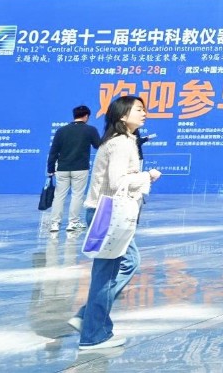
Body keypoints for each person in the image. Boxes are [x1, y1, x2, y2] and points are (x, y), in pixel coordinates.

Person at [71, 95, 162, 351]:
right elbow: (117, 181)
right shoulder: (121, 143)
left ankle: (87, 317)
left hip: (105, 212)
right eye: (139, 109)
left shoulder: (122, 140)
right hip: (109, 213)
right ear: (123, 115)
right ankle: (93, 334)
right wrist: (147, 176)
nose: (144, 113)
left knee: (120, 265)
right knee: (111, 271)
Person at [44, 105, 101, 233]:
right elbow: (98, 145)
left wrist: (51, 168)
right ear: (86, 116)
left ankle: (55, 224)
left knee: (59, 196)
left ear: (74, 115)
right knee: (77, 195)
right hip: (80, 168)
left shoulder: (61, 131)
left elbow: (53, 151)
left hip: (62, 168)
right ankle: (73, 223)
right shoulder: (90, 130)